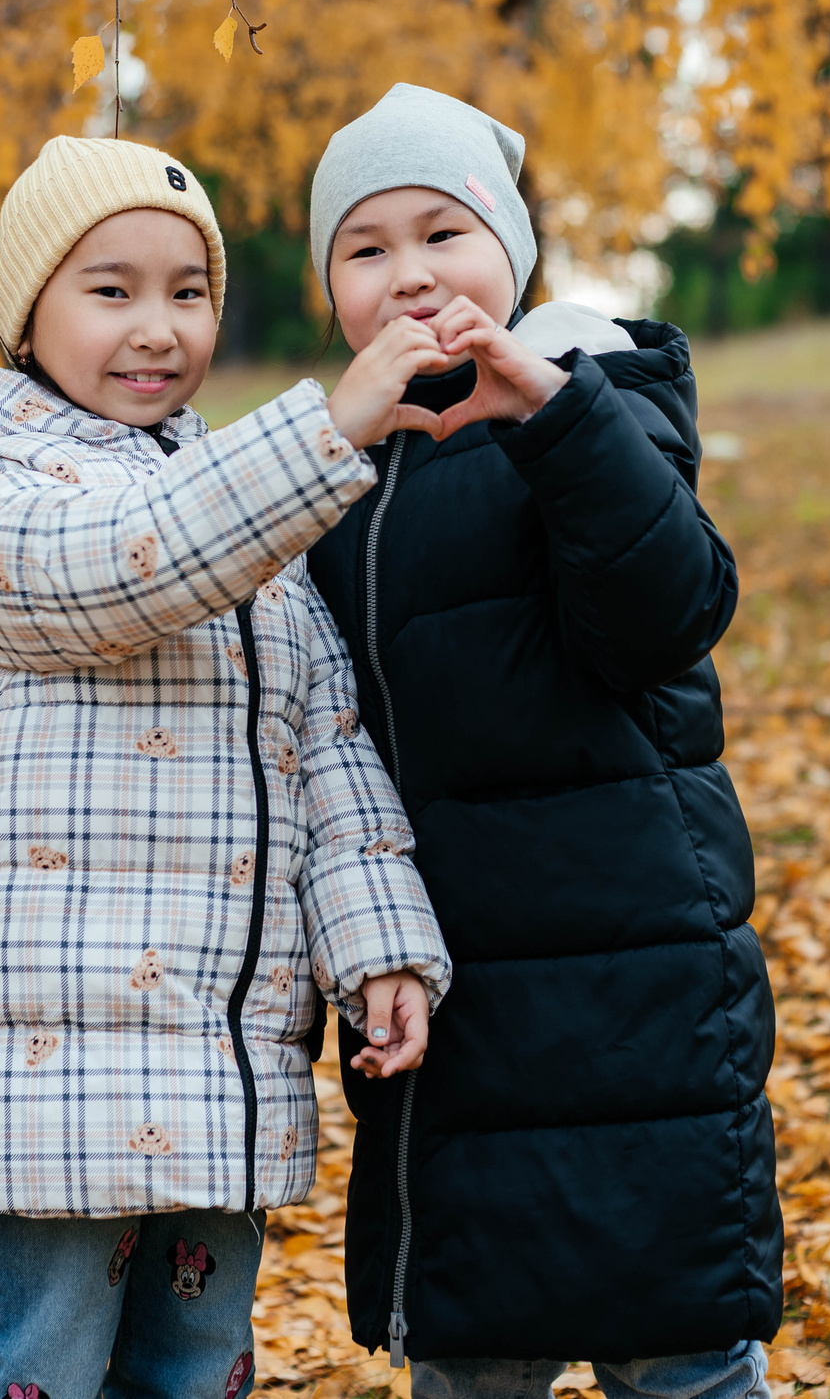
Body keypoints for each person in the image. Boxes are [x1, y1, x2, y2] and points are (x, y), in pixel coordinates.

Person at [0, 135, 460, 1399]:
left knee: (197, 1372)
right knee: (42, 1368)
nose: (156, 327)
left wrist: (380, 945)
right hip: (50, 1080)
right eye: (111, 290)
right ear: (26, 314)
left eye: (189, 290)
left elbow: (328, 754)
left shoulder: (241, 497)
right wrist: (325, 431)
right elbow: (121, 568)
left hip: (219, 1064)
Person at [304, 86, 783, 1397]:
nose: (410, 274)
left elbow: (669, 610)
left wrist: (553, 417)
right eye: (366, 248)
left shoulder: (599, 390)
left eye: (443, 233)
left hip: (638, 984)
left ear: (509, 255)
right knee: (475, 1352)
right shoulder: (339, 468)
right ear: (332, 294)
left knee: (677, 1347)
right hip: (453, 1004)